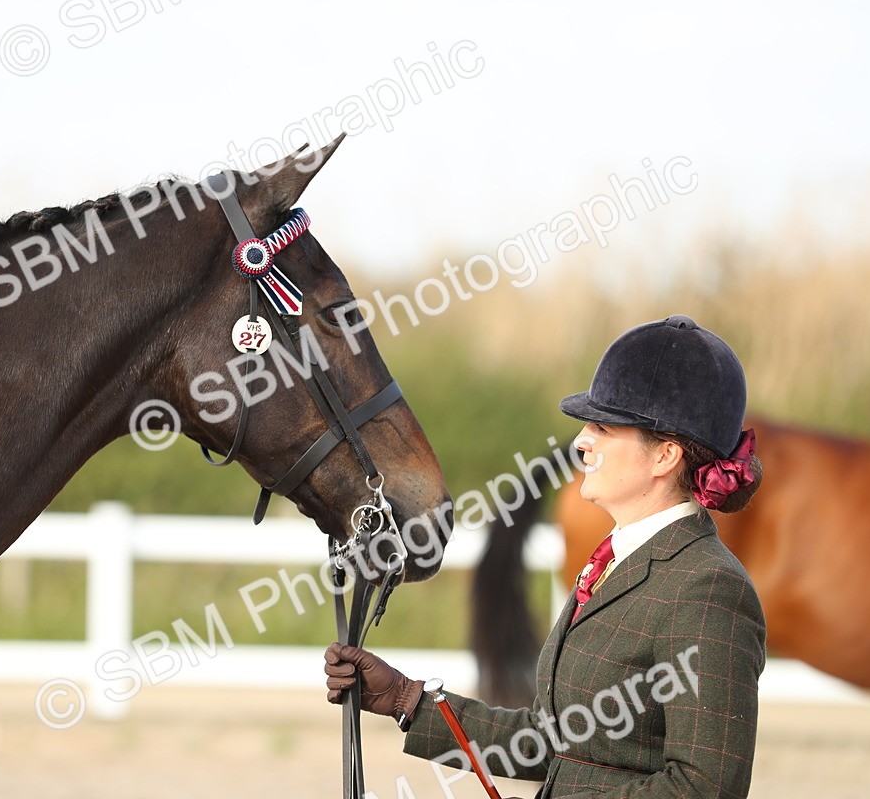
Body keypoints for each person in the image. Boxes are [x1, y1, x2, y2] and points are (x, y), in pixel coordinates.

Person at [324, 315, 767, 799]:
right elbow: (558, 741)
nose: (581, 442)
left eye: (602, 427)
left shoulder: (709, 589)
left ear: (665, 456)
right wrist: (405, 698)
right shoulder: (615, 564)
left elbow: (705, 789)